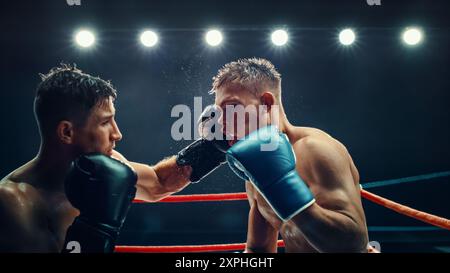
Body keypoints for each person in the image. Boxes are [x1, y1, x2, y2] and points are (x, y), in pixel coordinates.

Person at [0, 64, 226, 252]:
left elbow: (159, 183)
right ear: (67, 132)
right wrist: (96, 229)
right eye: (104, 122)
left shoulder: (110, 163)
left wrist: (217, 144)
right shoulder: (13, 202)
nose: (117, 133)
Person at [211, 58, 370, 252]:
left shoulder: (316, 149)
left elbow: (354, 245)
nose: (222, 122)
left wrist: (286, 191)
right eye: (219, 113)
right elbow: (258, 249)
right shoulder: (256, 166)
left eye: (231, 108)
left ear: (266, 103)